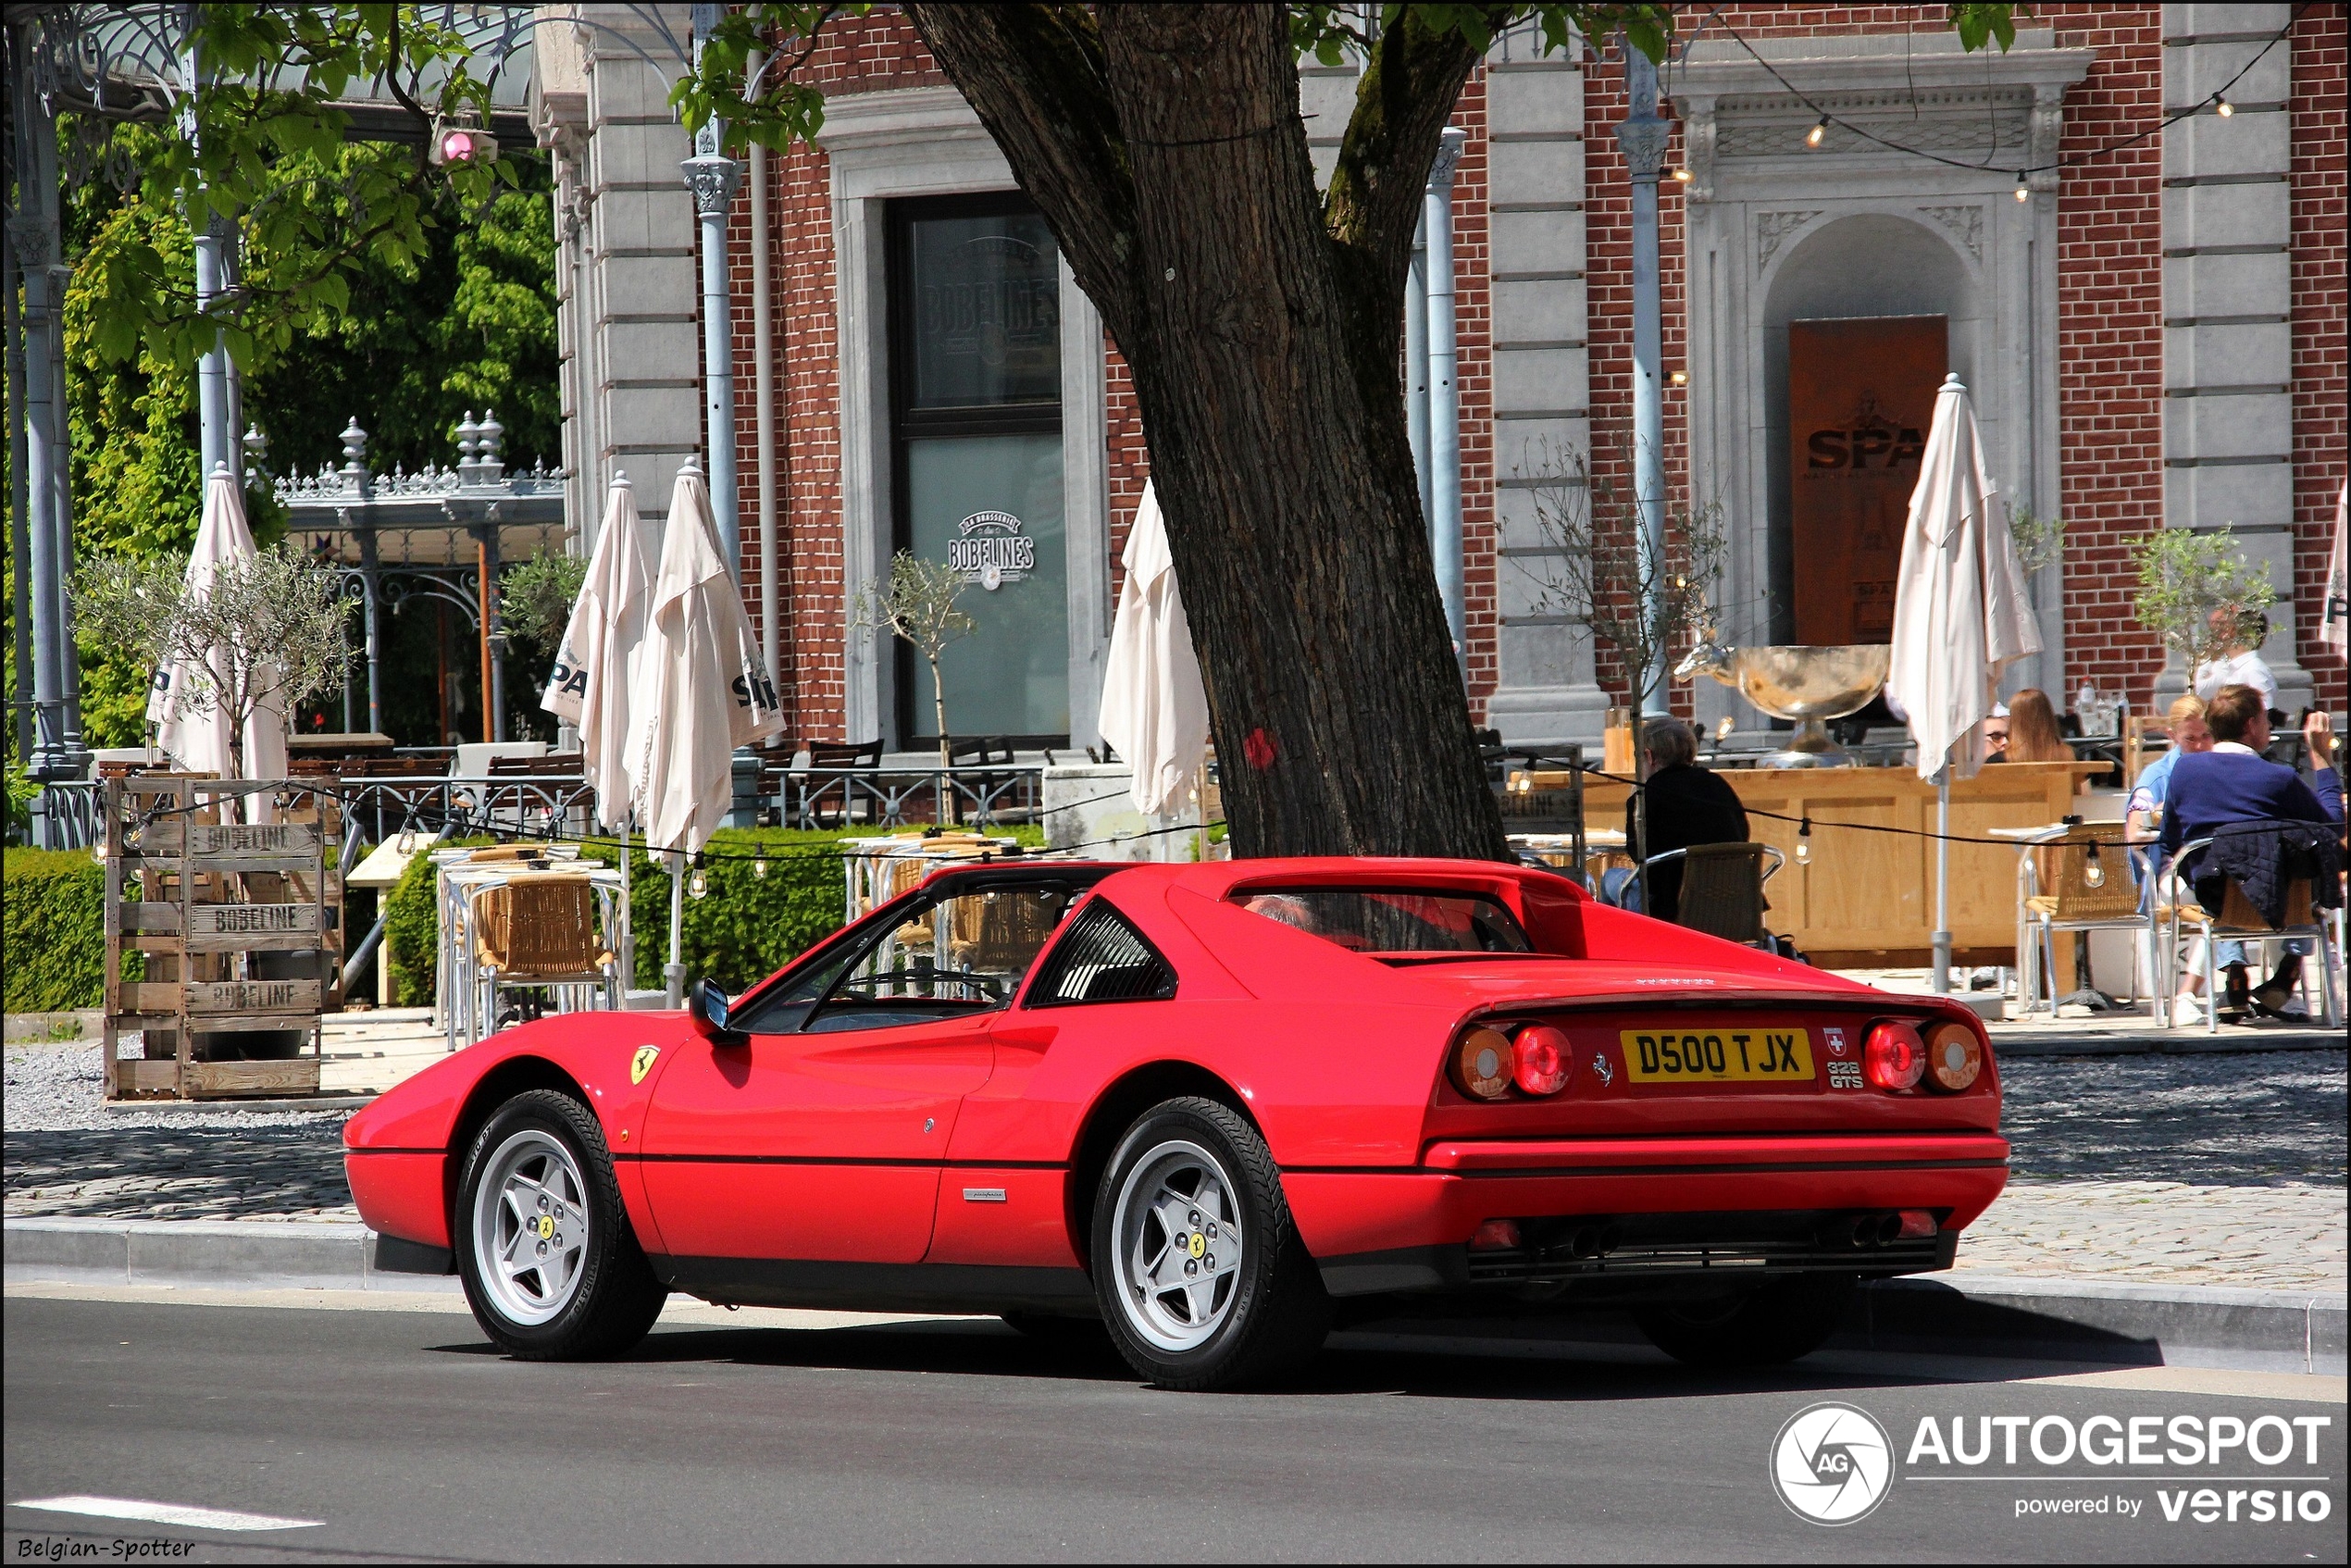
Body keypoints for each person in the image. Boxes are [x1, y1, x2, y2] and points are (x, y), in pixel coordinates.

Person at [2157, 684, 2342, 1024]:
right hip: (2283, 899)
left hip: (2214, 896)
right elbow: (2332, 829)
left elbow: (2169, 840)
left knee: (2221, 869)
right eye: (2265, 720)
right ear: (2251, 726)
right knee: (2304, 866)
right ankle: (2287, 975)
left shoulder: (2185, 770)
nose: (2269, 727)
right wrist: (2321, 758)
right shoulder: (2278, 778)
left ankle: (2236, 975)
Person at [1618, 717, 1749, 925]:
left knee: (1612, 879)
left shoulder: (1645, 797)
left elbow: (1640, 857)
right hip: (1735, 905)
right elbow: (1743, 833)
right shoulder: (1718, 785)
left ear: (1649, 756)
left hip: (1673, 907)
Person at [2192, 610, 2280, 710]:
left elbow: (2264, 712)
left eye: (2224, 629)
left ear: (2232, 632)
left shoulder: (2253, 670)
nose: (2220, 635)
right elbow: (2200, 690)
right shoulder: (2231, 667)